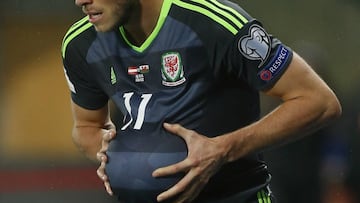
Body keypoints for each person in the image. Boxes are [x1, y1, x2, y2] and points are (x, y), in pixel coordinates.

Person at [61, 0, 342, 202]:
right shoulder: (80, 43)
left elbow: (318, 101)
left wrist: (222, 149)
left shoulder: (215, 24)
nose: (80, 1)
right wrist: (114, 158)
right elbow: (86, 127)